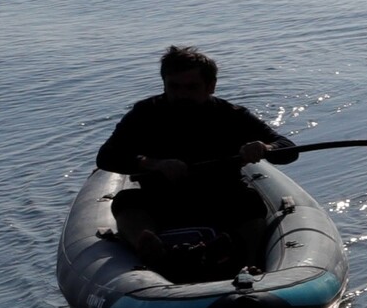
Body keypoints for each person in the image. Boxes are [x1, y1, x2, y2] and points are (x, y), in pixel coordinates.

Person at [94, 46, 299, 270]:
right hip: (162, 200)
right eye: (174, 87)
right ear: (164, 85)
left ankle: (246, 260)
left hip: (221, 198)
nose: (182, 94)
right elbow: (106, 157)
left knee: (249, 202)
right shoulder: (145, 114)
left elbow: (288, 149)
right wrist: (154, 164)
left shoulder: (232, 115)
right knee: (126, 200)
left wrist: (265, 147)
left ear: (211, 86)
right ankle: (149, 248)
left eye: (192, 88)